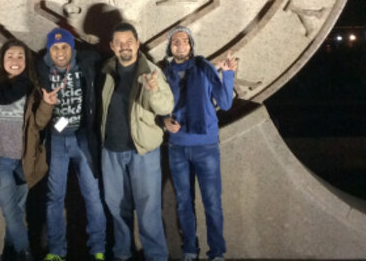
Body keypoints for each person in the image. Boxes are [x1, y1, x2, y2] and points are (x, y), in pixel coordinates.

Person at [0, 39, 54, 261]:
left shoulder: (32, 88)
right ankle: (25, 253)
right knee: (11, 212)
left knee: (16, 212)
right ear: (2, 59)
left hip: (24, 160)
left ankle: (9, 254)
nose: (15, 61)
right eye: (10, 56)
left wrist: (47, 104)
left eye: (20, 57)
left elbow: (38, 124)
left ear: (26, 61)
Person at [100, 22, 174, 261]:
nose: (124, 47)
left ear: (137, 43)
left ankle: (157, 256)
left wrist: (153, 90)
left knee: (148, 209)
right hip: (111, 151)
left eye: (129, 42)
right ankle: (122, 254)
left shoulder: (150, 71)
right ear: (112, 46)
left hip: (143, 151)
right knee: (116, 207)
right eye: (119, 43)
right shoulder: (106, 71)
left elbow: (166, 106)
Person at [162, 26, 236, 261]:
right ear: (170, 47)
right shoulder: (163, 72)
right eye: (175, 42)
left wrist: (229, 75)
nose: (180, 45)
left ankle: (216, 253)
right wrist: (163, 120)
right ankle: (190, 250)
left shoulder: (204, 67)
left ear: (191, 45)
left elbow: (224, 103)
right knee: (184, 203)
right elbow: (156, 105)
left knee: (212, 203)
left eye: (185, 41)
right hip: (177, 147)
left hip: (206, 146)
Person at [36, 27, 106, 261]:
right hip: (57, 140)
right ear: (48, 50)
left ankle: (98, 249)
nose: (60, 52)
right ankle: (56, 251)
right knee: (54, 197)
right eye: (55, 48)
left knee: (92, 196)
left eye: (64, 46)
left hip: (82, 138)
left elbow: (97, 56)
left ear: (72, 48)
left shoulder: (86, 62)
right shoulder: (41, 68)